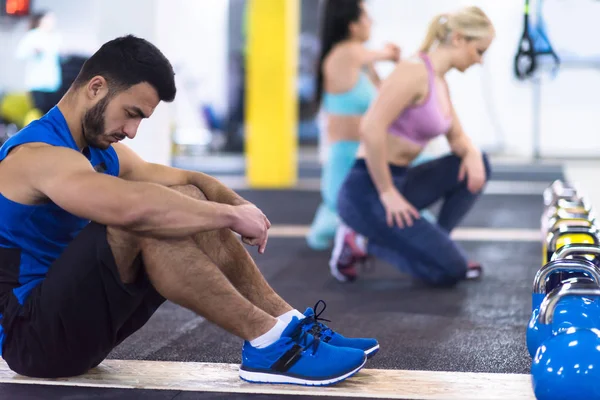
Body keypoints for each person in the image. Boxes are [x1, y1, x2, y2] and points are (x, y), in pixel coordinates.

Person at [0, 35, 379, 386]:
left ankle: (289, 325)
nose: (131, 131)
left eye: (140, 120)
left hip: (82, 329)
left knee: (185, 196)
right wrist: (229, 218)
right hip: (34, 340)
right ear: (96, 87)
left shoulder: (100, 150)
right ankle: (267, 342)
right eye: (130, 113)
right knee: (144, 219)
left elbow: (189, 179)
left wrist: (237, 203)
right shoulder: (38, 156)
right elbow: (132, 209)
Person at [329, 7, 494, 285]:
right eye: (479, 51)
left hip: (403, 181)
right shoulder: (413, 71)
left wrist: (474, 154)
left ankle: (438, 243)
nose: (479, 61)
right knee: (452, 270)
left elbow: (458, 139)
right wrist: (387, 191)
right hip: (367, 190)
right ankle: (358, 240)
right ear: (458, 39)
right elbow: (371, 127)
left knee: (479, 163)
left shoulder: (439, 82)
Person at [306, 0, 400, 251]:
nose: (372, 23)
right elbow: (374, 54)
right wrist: (390, 54)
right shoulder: (344, 53)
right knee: (337, 216)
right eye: (366, 17)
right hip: (344, 155)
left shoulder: (363, 63)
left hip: (368, 154)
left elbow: (386, 95)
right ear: (352, 26)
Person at [15, 11, 62, 114]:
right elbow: (20, 54)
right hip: (37, 82)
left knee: (51, 112)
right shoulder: (32, 36)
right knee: (39, 112)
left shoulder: (55, 37)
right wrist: (33, 51)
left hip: (52, 83)